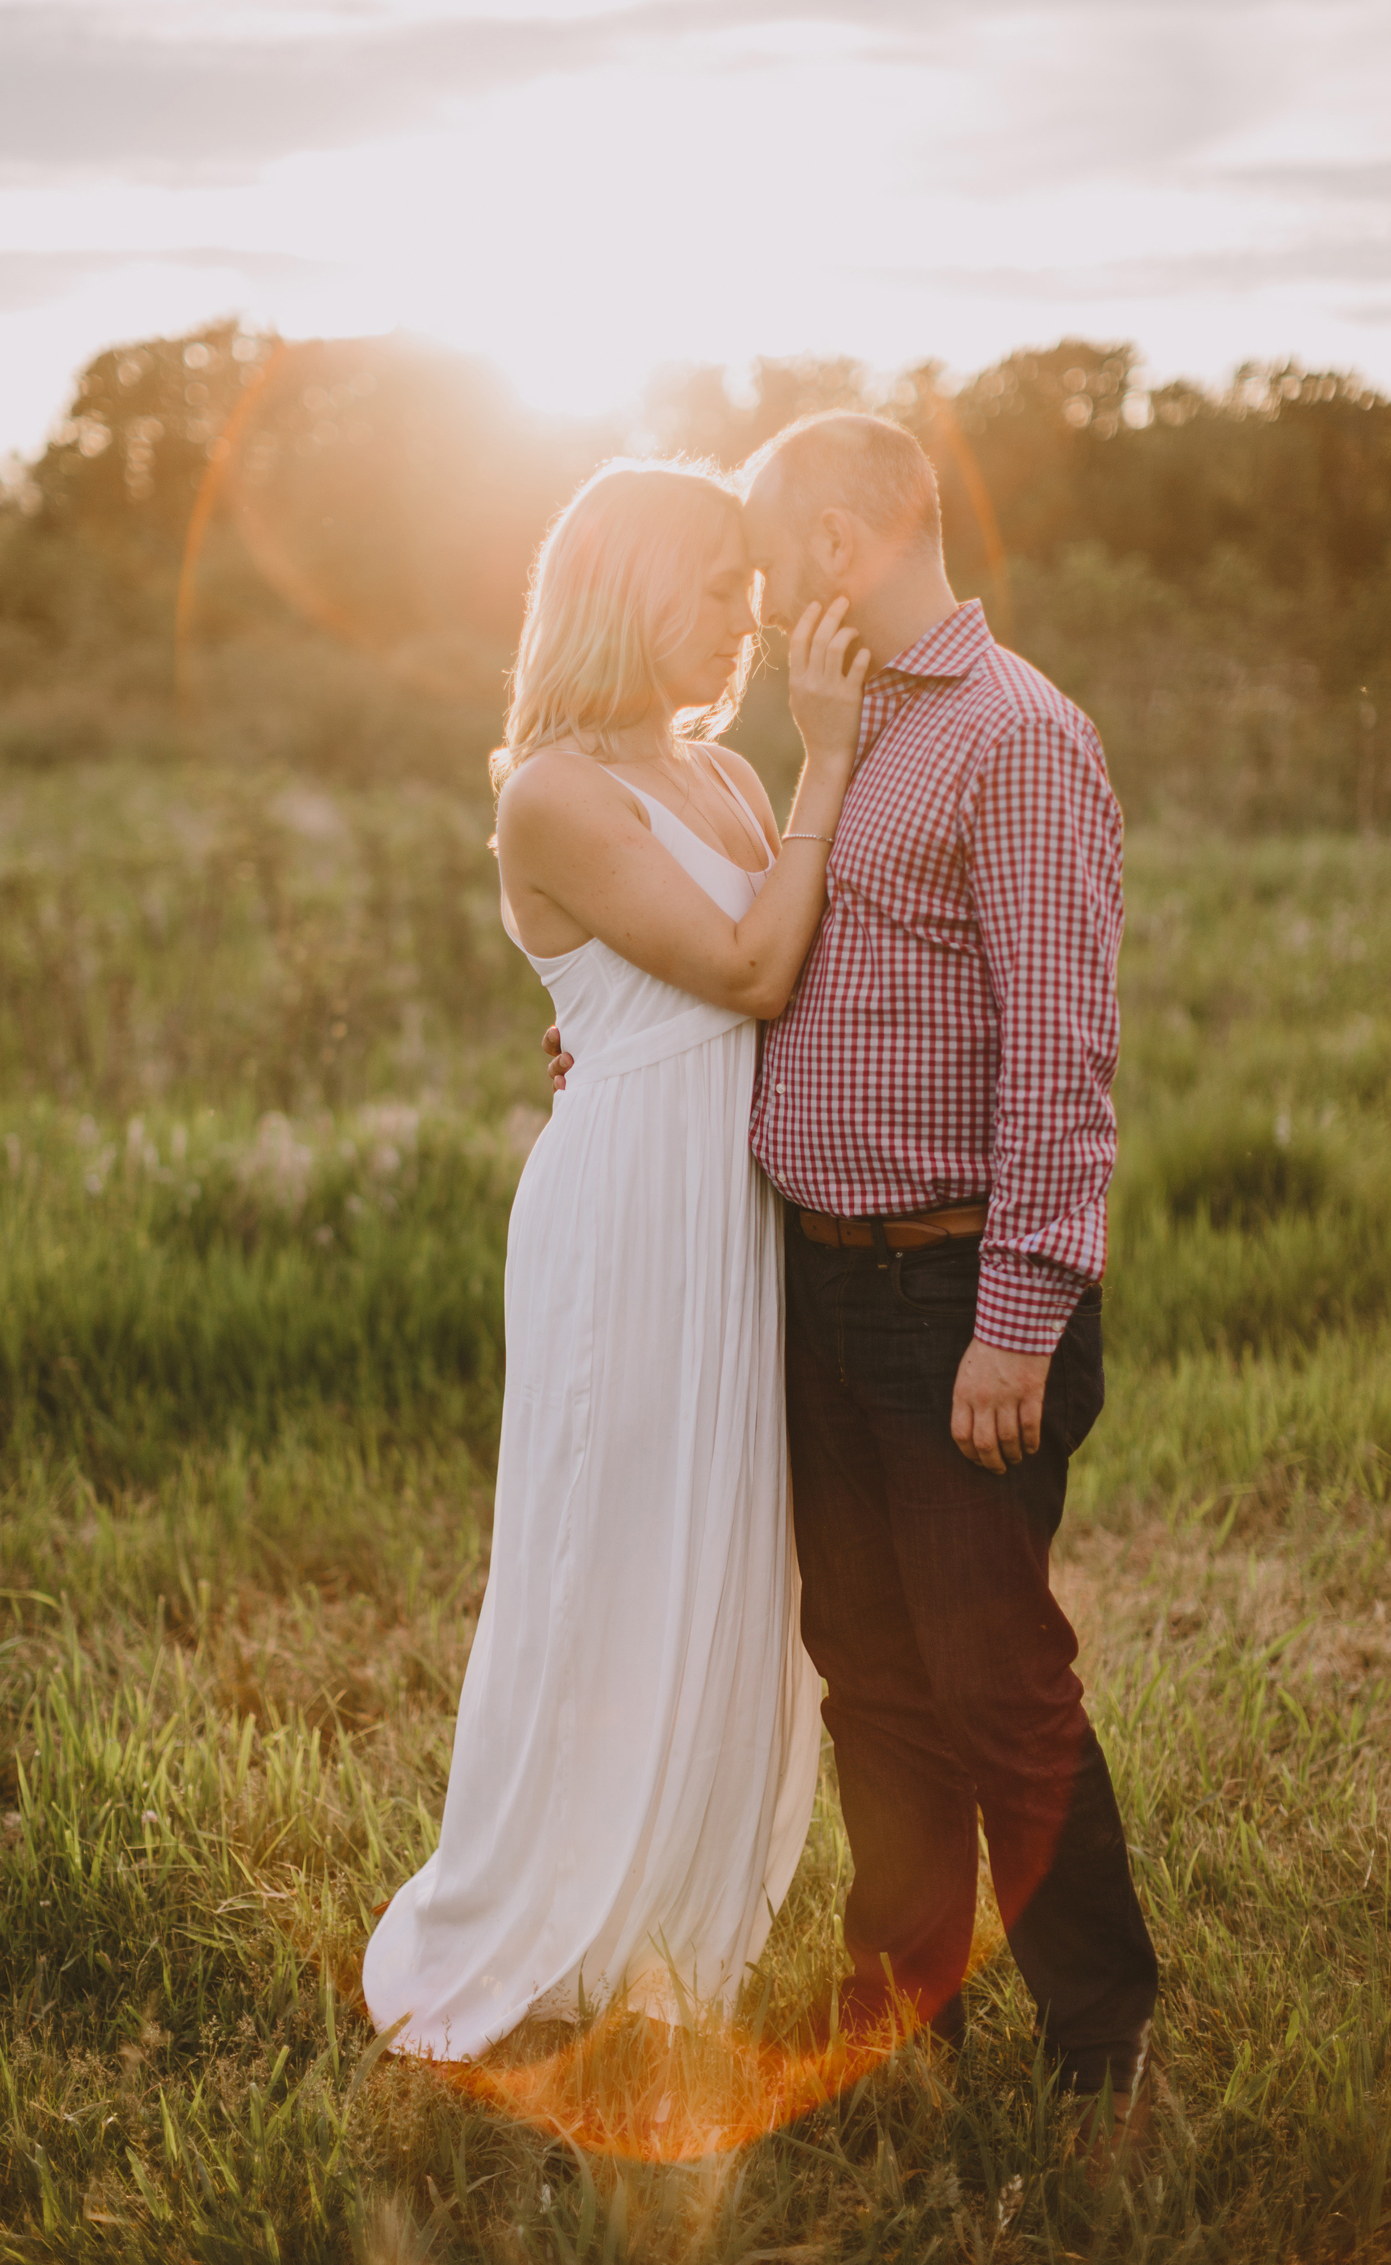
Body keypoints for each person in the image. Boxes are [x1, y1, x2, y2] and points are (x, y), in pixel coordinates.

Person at [547, 414, 1158, 2128]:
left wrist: (1017, 1316)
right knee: (871, 1674)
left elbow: (1059, 1055)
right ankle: (899, 2008)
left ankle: (1101, 2037)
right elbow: (776, 965)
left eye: (761, 550)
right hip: (814, 1284)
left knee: (994, 1684)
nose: (746, 592)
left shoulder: (1016, 739)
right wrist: (613, 1047)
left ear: (836, 542)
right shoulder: (845, 725)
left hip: (953, 1291)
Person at [362, 459, 872, 2058]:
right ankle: (544, 1910)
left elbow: (762, 965)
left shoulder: (712, 776)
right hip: (628, 1216)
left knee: (727, 1554)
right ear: (618, 585)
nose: (746, 616)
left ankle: (673, 1906)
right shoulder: (554, 789)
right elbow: (742, 962)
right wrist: (830, 764)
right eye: (713, 586)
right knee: (610, 1551)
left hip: (735, 1215)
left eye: (749, 585)